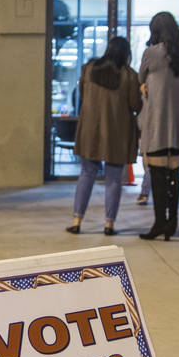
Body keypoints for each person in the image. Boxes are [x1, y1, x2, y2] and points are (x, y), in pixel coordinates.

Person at [65, 37, 141, 236]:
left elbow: (81, 95)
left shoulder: (89, 69)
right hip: (117, 132)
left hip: (91, 129)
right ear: (126, 53)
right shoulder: (130, 75)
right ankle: (109, 224)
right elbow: (135, 105)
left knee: (86, 174)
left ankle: (77, 220)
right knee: (114, 178)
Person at [136, 11, 179, 241]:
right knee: (174, 175)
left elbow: (141, 78)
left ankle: (160, 222)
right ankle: (172, 222)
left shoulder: (152, 53)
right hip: (178, 126)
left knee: (158, 175)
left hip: (158, 124)